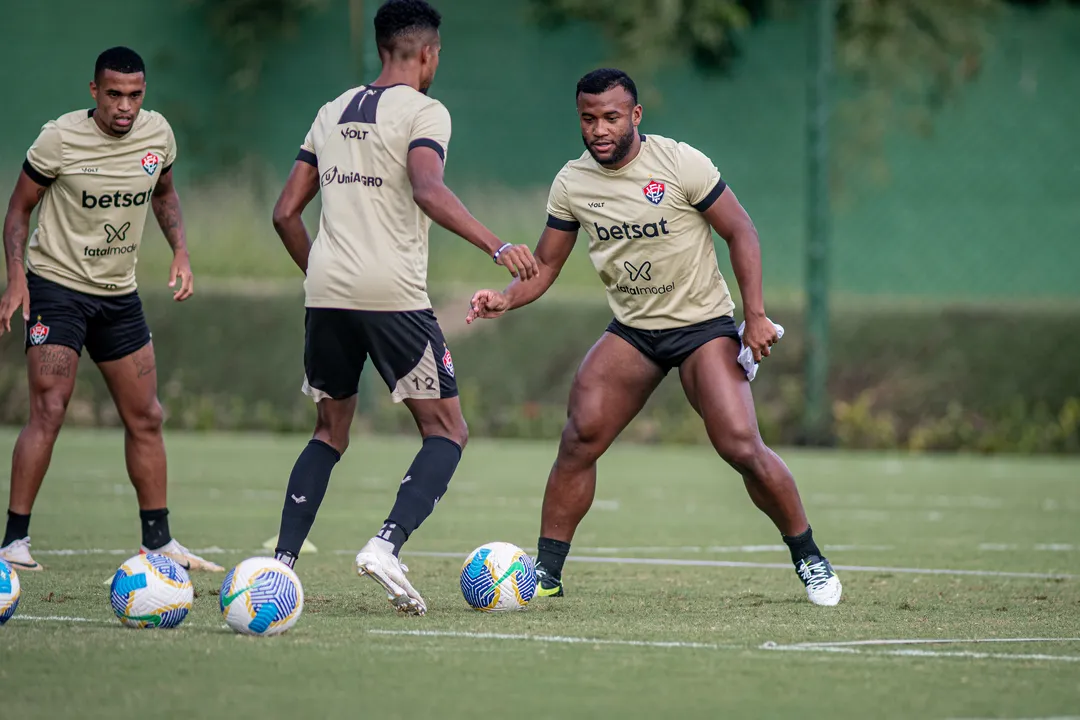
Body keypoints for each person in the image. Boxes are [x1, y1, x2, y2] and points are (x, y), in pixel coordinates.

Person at [466, 68, 842, 606]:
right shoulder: (572, 183)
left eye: (611, 117)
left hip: (702, 328)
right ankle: (545, 574)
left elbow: (741, 231)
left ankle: (809, 557)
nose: (599, 128)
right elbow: (546, 266)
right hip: (634, 332)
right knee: (579, 438)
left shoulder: (680, 163)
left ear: (635, 116)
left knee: (739, 444)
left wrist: (755, 315)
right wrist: (506, 297)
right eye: (588, 118)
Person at [269, 0, 537, 616]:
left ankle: (279, 567)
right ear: (427, 53)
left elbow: (285, 213)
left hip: (326, 296)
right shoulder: (425, 111)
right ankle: (386, 544)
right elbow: (427, 187)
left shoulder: (331, 110)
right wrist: (496, 244)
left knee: (328, 433)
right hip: (391, 297)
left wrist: (321, 274)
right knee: (447, 429)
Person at [0, 46, 222, 573]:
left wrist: (181, 251)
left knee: (146, 415)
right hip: (56, 287)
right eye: (115, 94)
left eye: (135, 95)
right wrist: (15, 281)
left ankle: (159, 541)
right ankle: (13, 542)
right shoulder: (59, 139)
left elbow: (164, 194)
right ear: (94, 91)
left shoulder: (157, 135)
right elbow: (18, 211)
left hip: (118, 295)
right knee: (50, 409)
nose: (125, 106)